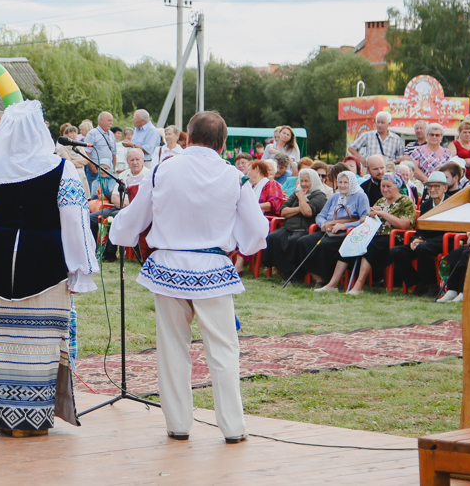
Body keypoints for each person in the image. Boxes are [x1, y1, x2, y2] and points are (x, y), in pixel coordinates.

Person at [109, 110, 268, 444]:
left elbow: (134, 218)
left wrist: (117, 233)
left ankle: (179, 424)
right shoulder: (234, 177)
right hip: (212, 269)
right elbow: (257, 231)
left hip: (168, 268)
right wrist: (237, 244)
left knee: (172, 348)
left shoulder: (163, 170)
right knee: (224, 351)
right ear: (223, 144)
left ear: (188, 137)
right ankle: (233, 427)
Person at [0, 100, 97, 436]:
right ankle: (31, 419)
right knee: (40, 340)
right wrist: (80, 266)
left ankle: (9, 415)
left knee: (6, 339)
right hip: (46, 258)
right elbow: (74, 219)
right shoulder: (60, 168)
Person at [319, 173, 415, 295]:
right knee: (351, 241)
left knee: (370, 246)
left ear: (397, 186)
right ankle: (333, 284)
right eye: (382, 186)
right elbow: (365, 219)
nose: (384, 189)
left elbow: (405, 225)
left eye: (388, 186)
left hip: (393, 237)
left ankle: (359, 286)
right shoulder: (381, 201)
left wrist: (382, 214)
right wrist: (369, 214)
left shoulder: (405, 201)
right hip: (372, 234)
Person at [298, 171, 370, 286]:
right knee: (303, 242)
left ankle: (328, 277)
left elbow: (365, 220)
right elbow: (321, 215)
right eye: (340, 182)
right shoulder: (335, 196)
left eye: (346, 182)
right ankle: (319, 278)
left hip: (347, 233)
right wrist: (322, 224)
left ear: (352, 183)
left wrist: (344, 226)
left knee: (324, 245)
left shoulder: (361, 196)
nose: (342, 185)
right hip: (329, 230)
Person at [390, 171, 451, 296]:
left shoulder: (452, 204)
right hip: (425, 242)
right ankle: (418, 282)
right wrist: (416, 239)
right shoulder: (425, 205)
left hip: (444, 241)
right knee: (396, 251)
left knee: (422, 248)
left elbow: (453, 231)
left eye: (437, 186)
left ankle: (432, 284)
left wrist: (425, 241)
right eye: (430, 186)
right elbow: (421, 229)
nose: (433, 189)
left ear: (445, 187)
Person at [262, 168, 327, 278]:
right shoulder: (296, 192)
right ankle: (284, 270)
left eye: (306, 181)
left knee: (293, 241)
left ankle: (295, 274)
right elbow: (283, 211)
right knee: (274, 237)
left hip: (305, 228)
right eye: (301, 181)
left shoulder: (319, 195)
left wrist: (301, 198)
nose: (303, 184)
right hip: (288, 227)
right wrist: (300, 207)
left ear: (313, 181)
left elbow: (308, 212)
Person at [233, 160, 284, 275]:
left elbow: (274, 204)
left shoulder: (271, 184)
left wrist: (253, 207)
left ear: (257, 170)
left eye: (249, 169)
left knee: (248, 227)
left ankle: (238, 265)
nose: (247, 173)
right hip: (251, 218)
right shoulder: (251, 187)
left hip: (268, 220)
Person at [84, 111, 118, 196]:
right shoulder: (92, 134)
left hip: (108, 171)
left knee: (109, 195)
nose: (111, 123)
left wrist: (112, 169)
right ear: (101, 121)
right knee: (95, 196)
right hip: (96, 171)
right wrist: (94, 170)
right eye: (109, 120)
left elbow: (114, 153)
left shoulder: (111, 134)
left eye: (112, 121)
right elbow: (86, 152)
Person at [61, 124, 91, 192]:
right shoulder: (63, 148)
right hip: (72, 176)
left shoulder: (80, 147)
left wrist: (74, 161)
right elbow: (68, 162)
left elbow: (87, 160)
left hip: (82, 175)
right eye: (71, 133)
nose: (74, 135)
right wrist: (81, 162)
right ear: (66, 135)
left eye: (75, 133)